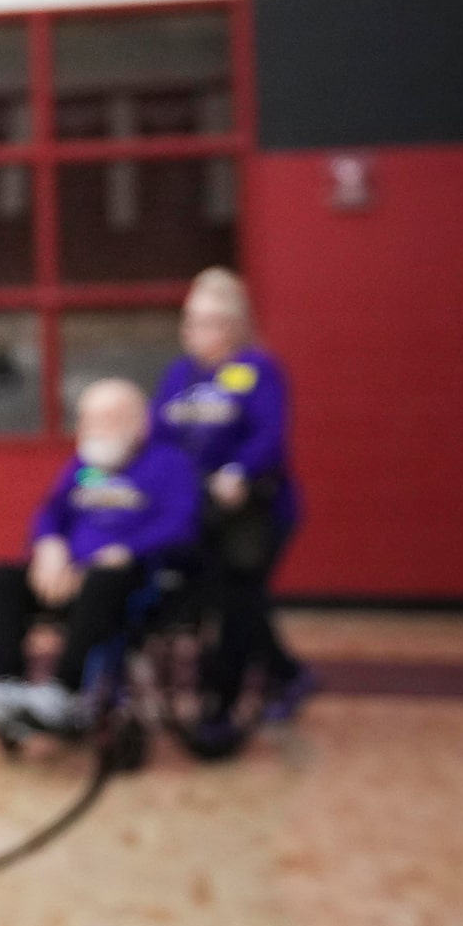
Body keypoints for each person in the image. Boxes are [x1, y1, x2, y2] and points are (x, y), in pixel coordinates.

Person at [0, 378, 200, 736]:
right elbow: (52, 512)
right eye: (88, 420)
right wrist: (49, 546)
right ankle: (9, 684)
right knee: (1, 578)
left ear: (139, 423)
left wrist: (125, 550)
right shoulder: (83, 467)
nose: (93, 430)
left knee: (106, 578)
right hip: (69, 573)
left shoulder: (170, 464)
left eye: (107, 420)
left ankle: (66, 689)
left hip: (134, 579)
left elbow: (180, 524)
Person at [154, 267, 312, 729]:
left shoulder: (258, 369)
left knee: (238, 596)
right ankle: (288, 674)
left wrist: (237, 472)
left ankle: (221, 702)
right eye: (189, 322)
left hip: (255, 509)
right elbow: (160, 435)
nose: (194, 333)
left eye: (206, 323)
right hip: (199, 509)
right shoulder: (179, 375)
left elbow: (269, 435)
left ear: (233, 326)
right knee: (226, 595)